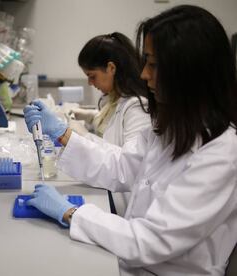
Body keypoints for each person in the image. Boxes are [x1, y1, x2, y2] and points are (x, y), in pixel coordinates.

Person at [23, 5, 237, 275]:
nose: (144, 73)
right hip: (132, 260)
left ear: (190, 73)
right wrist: (62, 133)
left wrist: (71, 213)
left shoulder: (222, 154)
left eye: (153, 64)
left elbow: (151, 240)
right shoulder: (170, 128)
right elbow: (121, 164)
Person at [70, 32, 151, 215]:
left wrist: (80, 136)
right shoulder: (115, 98)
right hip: (106, 189)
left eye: (92, 76)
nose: (90, 83)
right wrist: (90, 117)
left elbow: (128, 166)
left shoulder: (138, 108)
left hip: (122, 202)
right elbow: (108, 122)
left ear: (111, 68)